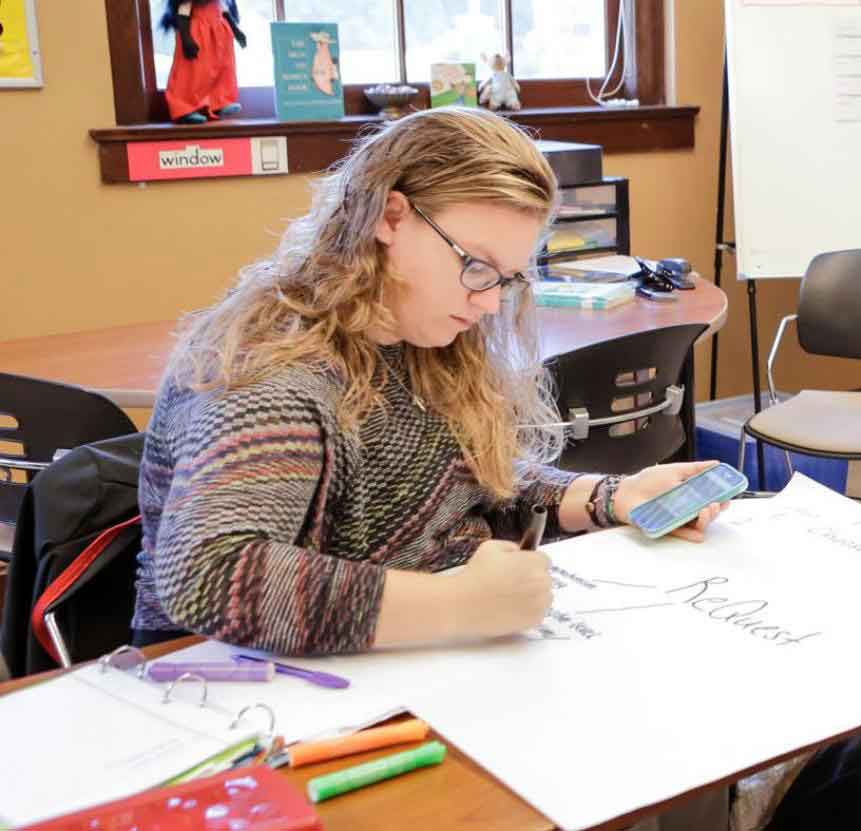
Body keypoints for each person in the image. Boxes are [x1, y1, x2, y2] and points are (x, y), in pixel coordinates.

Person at [131, 107, 727, 656]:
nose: (492, 302)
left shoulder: (417, 338)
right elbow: (208, 575)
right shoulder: (274, 373)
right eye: (476, 267)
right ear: (391, 217)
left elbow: (466, 482)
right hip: (262, 694)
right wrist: (460, 605)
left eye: (509, 278)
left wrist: (610, 497)